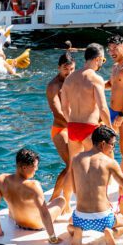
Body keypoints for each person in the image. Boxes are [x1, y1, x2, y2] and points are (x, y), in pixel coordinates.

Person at [59, 43, 111, 203]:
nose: (102, 62)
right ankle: (103, 200)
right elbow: (103, 108)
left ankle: (67, 202)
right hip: (90, 128)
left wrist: (71, 122)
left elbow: (64, 108)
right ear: (97, 59)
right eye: (103, 59)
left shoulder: (69, 79)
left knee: (73, 168)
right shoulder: (96, 79)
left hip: (73, 127)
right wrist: (110, 128)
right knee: (103, 163)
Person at [0, 148, 64, 243]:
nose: (37, 169)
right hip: (37, 225)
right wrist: (52, 238)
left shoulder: (0, 180)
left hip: (17, 222)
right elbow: (44, 214)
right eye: (35, 166)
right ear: (24, 167)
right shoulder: (34, 186)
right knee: (61, 200)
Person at [46, 52, 76, 202]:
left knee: (78, 164)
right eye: (65, 69)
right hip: (61, 129)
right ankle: (54, 198)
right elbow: (57, 112)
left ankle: (70, 196)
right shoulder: (53, 86)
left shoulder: (75, 81)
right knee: (71, 164)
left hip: (76, 126)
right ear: (59, 68)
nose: (69, 73)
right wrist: (75, 127)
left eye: (71, 69)